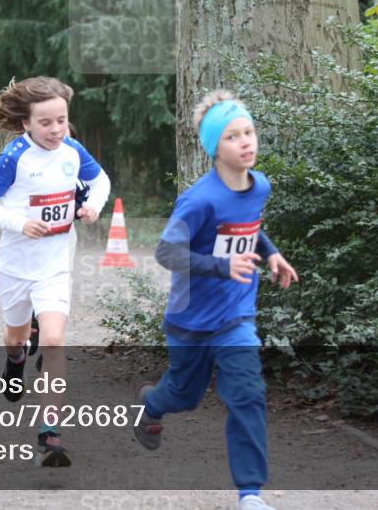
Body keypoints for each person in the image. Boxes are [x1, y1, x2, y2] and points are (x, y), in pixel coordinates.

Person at [131, 90, 298, 510]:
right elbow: (166, 253)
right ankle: (151, 404)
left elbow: (250, 227)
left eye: (249, 131)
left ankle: (250, 494)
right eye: (232, 136)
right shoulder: (199, 200)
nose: (246, 142)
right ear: (213, 148)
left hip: (236, 316)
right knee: (183, 396)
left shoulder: (260, 185)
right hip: (190, 318)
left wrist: (271, 253)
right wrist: (222, 266)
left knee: (247, 394)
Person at [0, 76, 110, 467]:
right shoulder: (15, 157)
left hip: (54, 265)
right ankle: (14, 360)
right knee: (16, 335)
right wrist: (20, 223)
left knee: (52, 341)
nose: (55, 130)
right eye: (46, 123)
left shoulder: (72, 151)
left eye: (61, 121)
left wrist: (93, 206)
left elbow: (100, 181)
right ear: (26, 124)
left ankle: (51, 432)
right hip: (16, 266)